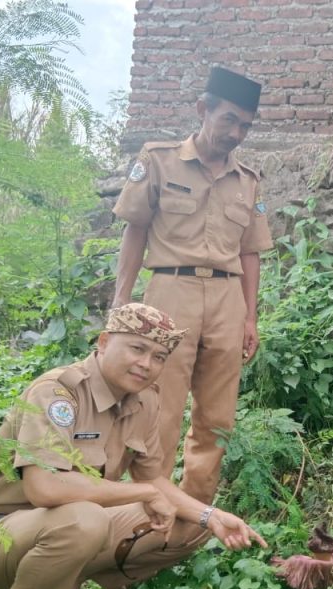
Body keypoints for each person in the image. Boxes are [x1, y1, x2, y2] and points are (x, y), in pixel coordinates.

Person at [0, 304, 267, 589]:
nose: (146, 364)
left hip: (63, 533)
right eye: (137, 349)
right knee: (84, 519)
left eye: (158, 357)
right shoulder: (58, 392)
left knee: (190, 523)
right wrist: (138, 493)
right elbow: (45, 487)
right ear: (104, 342)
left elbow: (153, 481)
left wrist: (211, 515)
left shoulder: (145, 400)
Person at [111, 66, 274, 504]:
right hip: (170, 292)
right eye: (228, 120)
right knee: (158, 407)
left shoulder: (248, 181)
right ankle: (149, 507)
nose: (236, 133)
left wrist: (251, 318)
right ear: (203, 110)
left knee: (217, 416)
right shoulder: (158, 160)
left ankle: (195, 514)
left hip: (227, 299)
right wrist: (121, 303)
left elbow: (250, 253)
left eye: (245, 125)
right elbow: (135, 230)